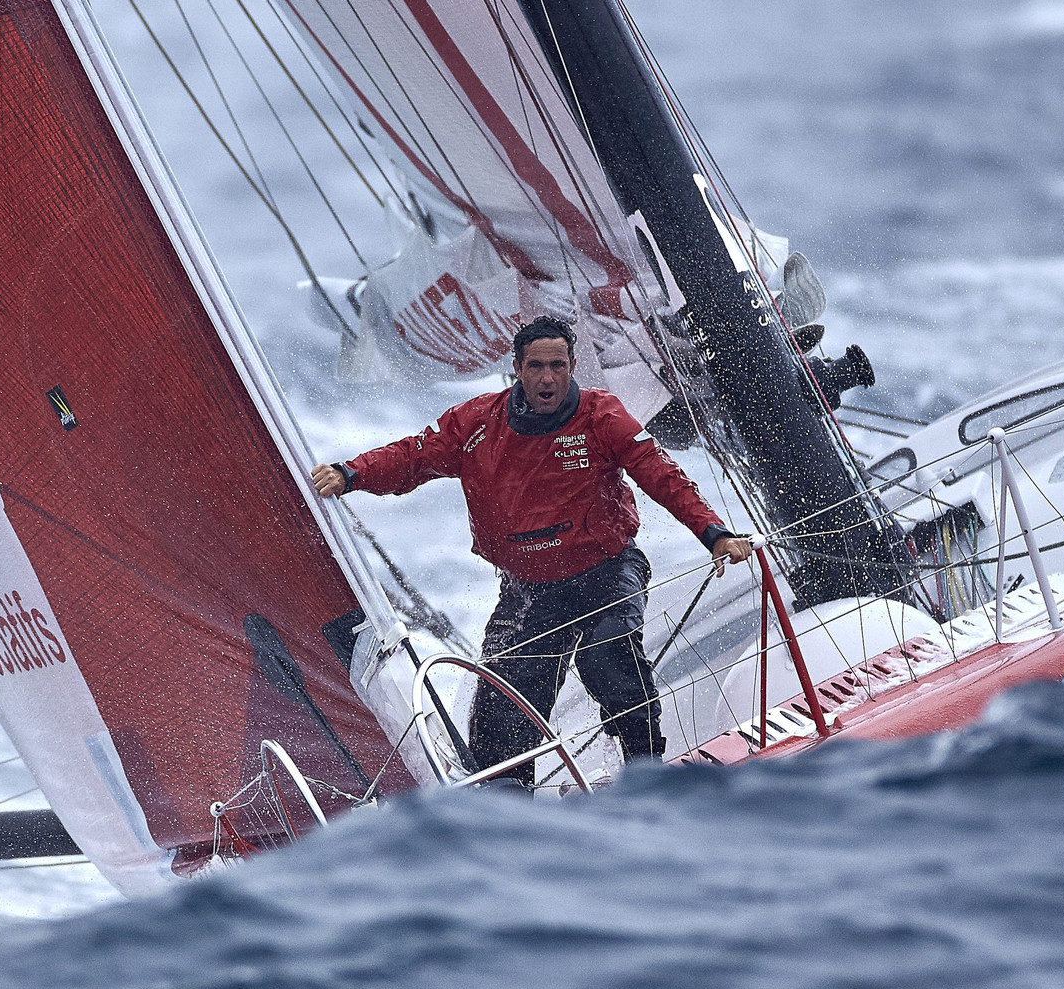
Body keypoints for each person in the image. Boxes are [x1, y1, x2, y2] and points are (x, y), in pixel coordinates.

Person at [312, 317, 753, 782]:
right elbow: (411, 456)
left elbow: (659, 473)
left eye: (558, 366)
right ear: (517, 369)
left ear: (573, 366)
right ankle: (509, 806)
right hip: (530, 590)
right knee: (501, 709)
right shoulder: (476, 423)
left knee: (608, 659)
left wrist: (714, 534)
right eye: (537, 366)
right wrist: (350, 474)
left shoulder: (602, 415)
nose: (548, 378)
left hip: (607, 571)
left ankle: (646, 775)